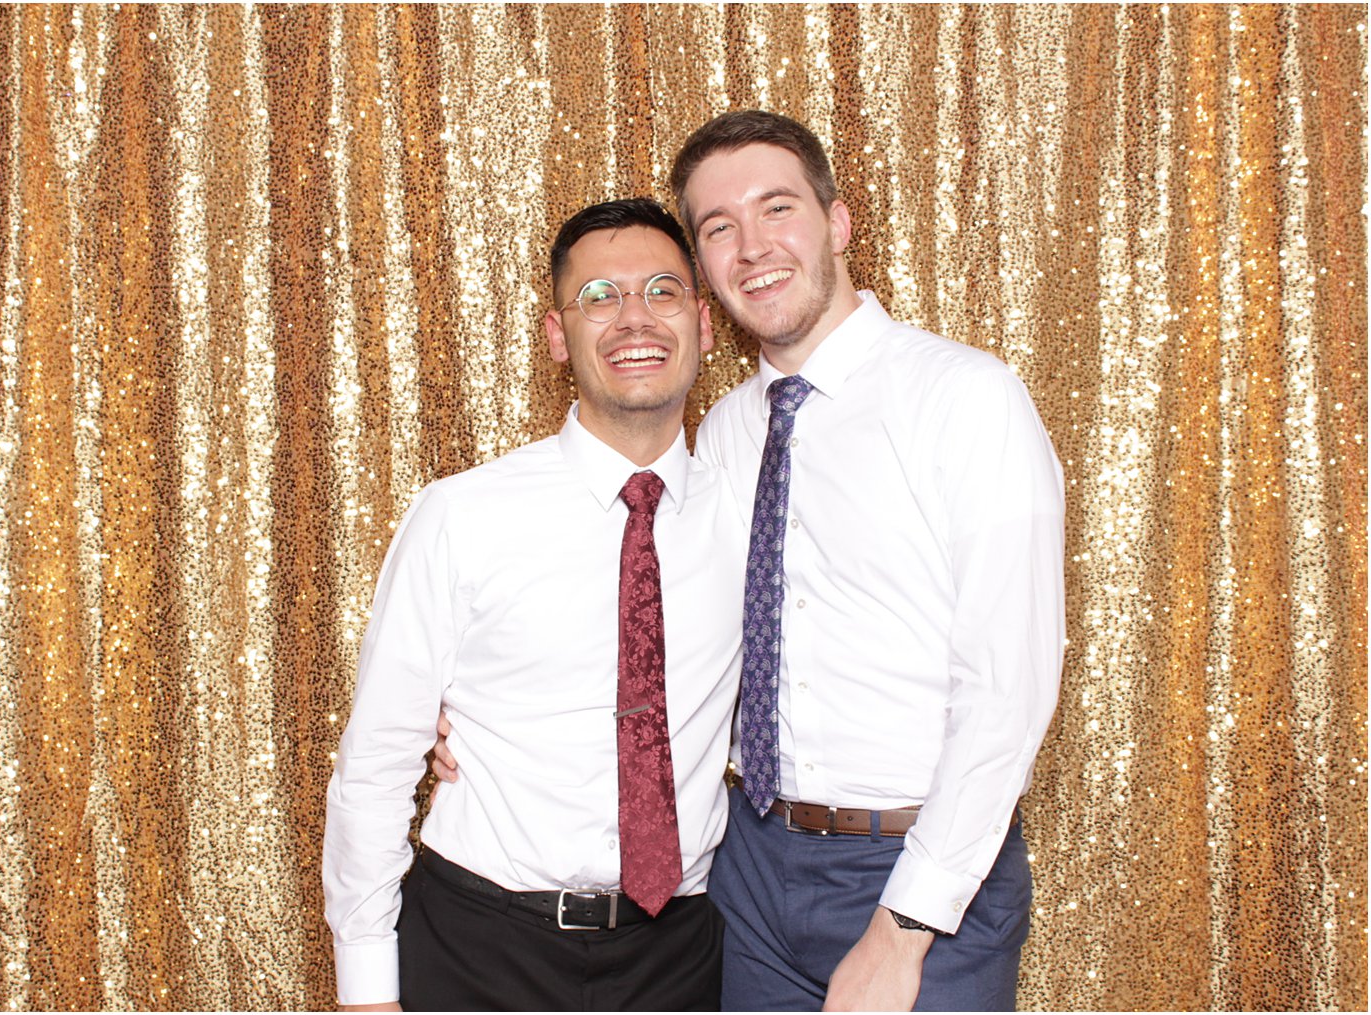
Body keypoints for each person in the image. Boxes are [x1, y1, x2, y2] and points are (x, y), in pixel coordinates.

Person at [670, 110, 1067, 1012]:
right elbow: (680, 632)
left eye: (778, 209)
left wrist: (904, 924)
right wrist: (499, 717)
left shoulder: (966, 398)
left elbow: (1008, 686)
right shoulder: (728, 430)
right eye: (718, 227)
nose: (752, 247)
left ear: (838, 223)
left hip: (921, 868)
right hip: (749, 866)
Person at [323, 197, 747, 1011]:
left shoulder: (747, 513)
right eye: (600, 297)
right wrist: (366, 987)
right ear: (558, 336)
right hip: (479, 945)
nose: (634, 319)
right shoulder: (463, 512)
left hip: (679, 957)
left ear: (701, 320)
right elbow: (377, 760)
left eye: (661, 291)